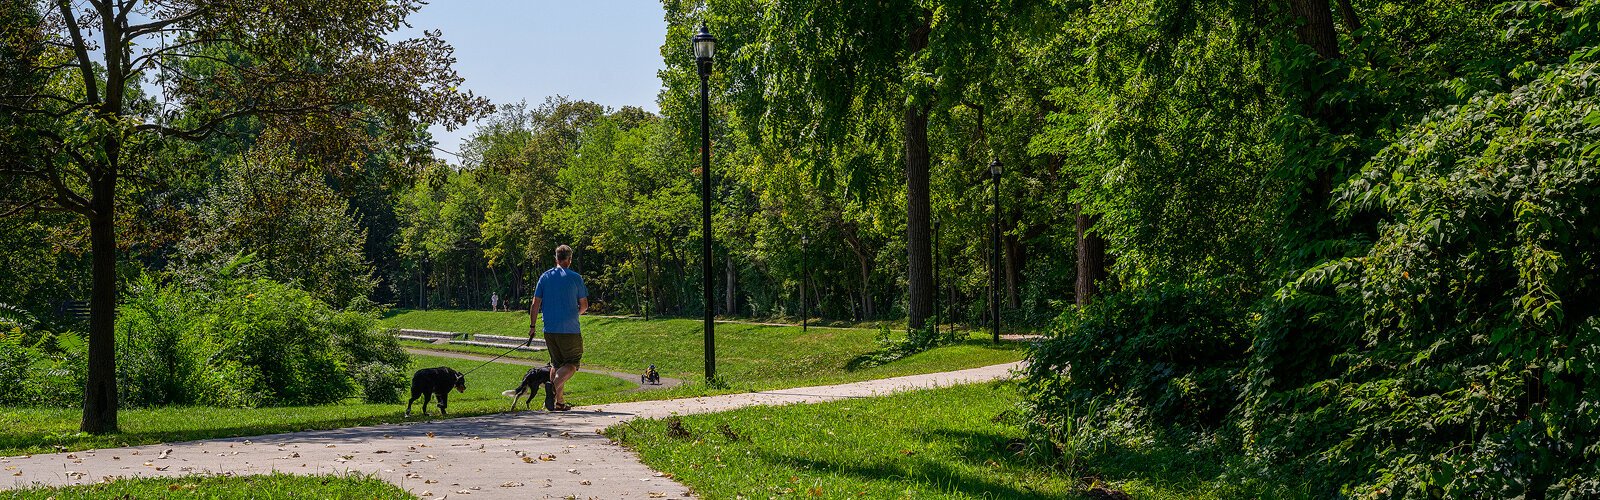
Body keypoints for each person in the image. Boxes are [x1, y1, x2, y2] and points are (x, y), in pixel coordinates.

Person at [529, 244, 588, 411]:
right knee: (572, 364)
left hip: (549, 330)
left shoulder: (545, 277)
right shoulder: (576, 277)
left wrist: (532, 326)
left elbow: (535, 305)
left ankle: (559, 403)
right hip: (569, 329)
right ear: (569, 260)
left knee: (556, 364)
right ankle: (552, 388)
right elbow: (584, 306)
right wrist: (575, 313)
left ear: (556, 259)